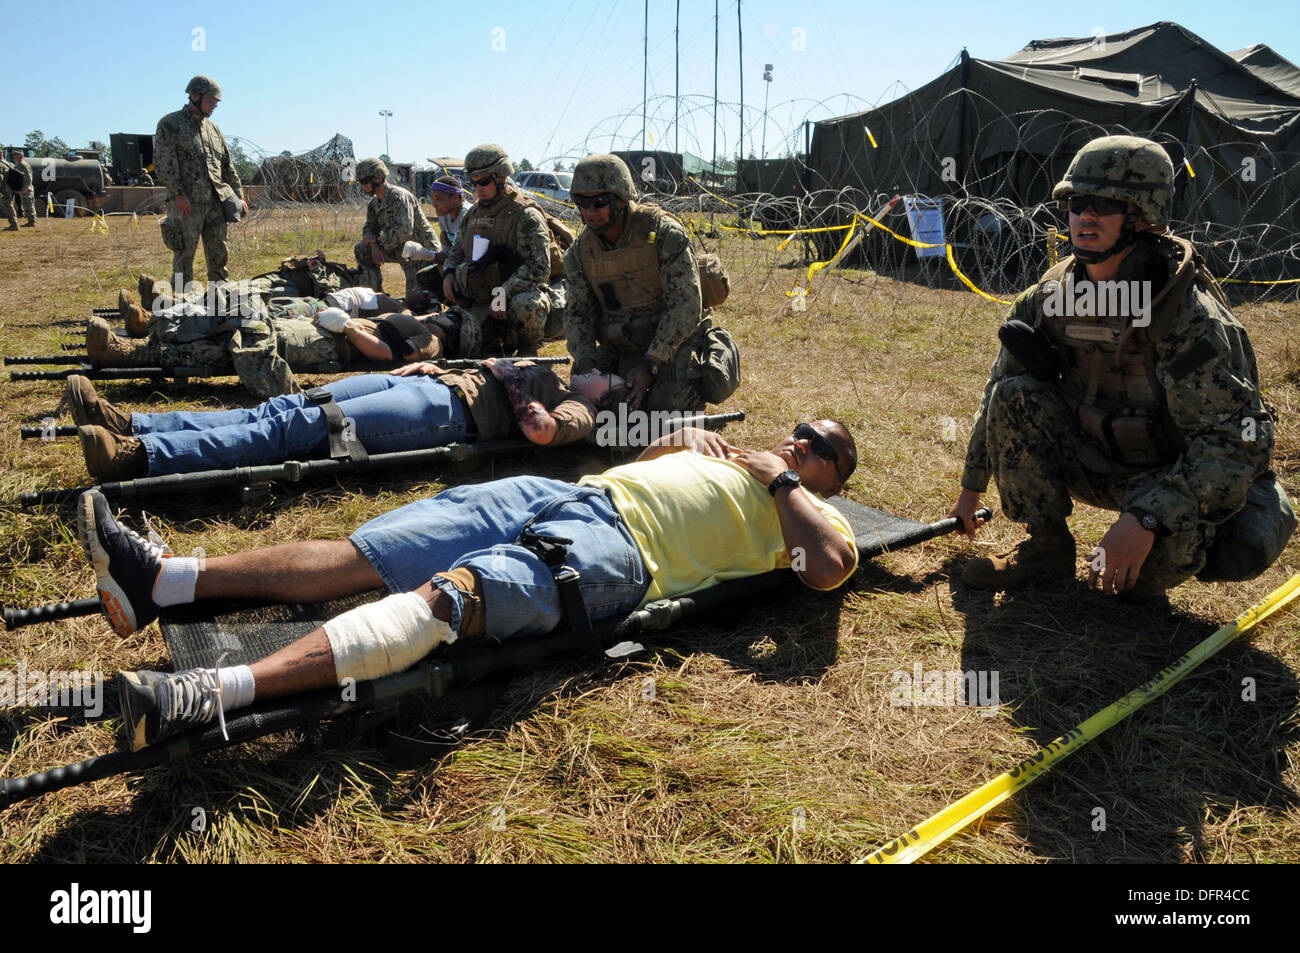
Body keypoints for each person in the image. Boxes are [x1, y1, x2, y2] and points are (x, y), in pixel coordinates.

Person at [78, 419, 858, 749]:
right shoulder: (742, 455)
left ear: (832, 471)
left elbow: (827, 571)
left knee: (451, 598)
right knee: (369, 551)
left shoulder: (813, 511)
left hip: (614, 550)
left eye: (817, 444)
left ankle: (207, 695)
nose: (797, 440)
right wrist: (674, 442)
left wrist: (782, 479)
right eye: (799, 429)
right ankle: (164, 581)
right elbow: (637, 463)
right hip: (570, 492)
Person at [949, 135, 1284, 601]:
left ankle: (1150, 557)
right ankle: (1047, 548)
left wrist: (1147, 517)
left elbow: (1236, 440)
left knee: (1136, 588)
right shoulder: (1049, 298)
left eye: (1104, 204)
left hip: (1168, 474)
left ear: (1143, 216)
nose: (1085, 215)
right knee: (1014, 395)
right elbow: (997, 391)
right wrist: (971, 489)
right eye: (1077, 202)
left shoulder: (1185, 315)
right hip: (1095, 457)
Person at [69, 359, 620, 480]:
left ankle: (139, 459)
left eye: (608, 375)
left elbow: (540, 433)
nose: (597, 367)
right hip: (427, 385)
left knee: (297, 433)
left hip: (443, 415)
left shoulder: (581, 411)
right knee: (282, 407)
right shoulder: (561, 368)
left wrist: (515, 381)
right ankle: (135, 423)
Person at [84, 281, 478, 398]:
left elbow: (385, 354)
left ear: (453, 331)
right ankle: (153, 325)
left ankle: (131, 349)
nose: (443, 313)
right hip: (322, 327)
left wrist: (348, 327)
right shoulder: (418, 320)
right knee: (240, 312)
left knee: (239, 331)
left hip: (326, 342)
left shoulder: (430, 344)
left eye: (449, 316)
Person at [563, 153, 731, 413]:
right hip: (622, 342)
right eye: (582, 204)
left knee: (661, 410)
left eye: (599, 202)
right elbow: (577, 314)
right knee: (592, 408)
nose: (589, 212)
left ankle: (699, 368)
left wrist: (650, 365)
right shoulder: (579, 253)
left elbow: (685, 307)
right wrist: (586, 364)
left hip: (674, 341)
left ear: (620, 199)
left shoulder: (663, 233)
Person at [441, 144, 567, 354]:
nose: (478, 188)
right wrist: (448, 272)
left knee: (527, 305)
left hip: (518, 296)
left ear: (501, 178)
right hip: (482, 297)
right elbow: (456, 251)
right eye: (473, 183)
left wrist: (504, 292)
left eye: (484, 181)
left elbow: (539, 267)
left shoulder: (525, 214)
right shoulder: (472, 215)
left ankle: (528, 350)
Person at [154, 76, 248, 286]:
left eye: (216, 103)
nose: (214, 106)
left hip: (216, 202)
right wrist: (178, 194)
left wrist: (238, 195)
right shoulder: (171, 124)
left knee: (219, 251)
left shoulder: (213, 129)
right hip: (187, 203)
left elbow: (227, 165)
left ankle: (219, 296)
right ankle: (181, 301)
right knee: (185, 253)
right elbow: (164, 162)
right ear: (195, 96)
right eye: (210, 101)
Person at [352, 157, 439, 296]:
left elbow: (405, 231)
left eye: (365, 181)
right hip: (397, 247)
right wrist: (374, 246)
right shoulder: (374, 204)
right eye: (360, 182)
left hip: (420, 249)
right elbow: (368, 230)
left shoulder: (399, 197)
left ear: (379, 177)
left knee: (414, 298)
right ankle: (374, 295)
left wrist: (378, 241)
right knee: (362, 249)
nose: (363, 186)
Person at [8, 148, 37, 227]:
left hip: (27, 188)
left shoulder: (23, 164)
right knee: (26, 204)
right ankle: (30, 221)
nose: (13, 157)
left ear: (20, 156)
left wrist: (26, 187)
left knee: (29, 204)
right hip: (23, 188)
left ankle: (32, 221)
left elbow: (28, 177)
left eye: (15, 155)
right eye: (13, 155)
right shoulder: (18, 164)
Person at [1, 151, 20, 230]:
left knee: (8, 206)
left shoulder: (1, 165)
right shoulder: (10, 164)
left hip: (4, 189)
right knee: (10, 205)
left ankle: (14, 224)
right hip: (11, 188)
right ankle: (13, 224)